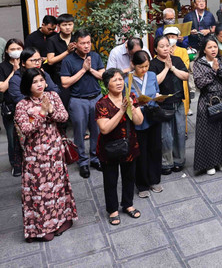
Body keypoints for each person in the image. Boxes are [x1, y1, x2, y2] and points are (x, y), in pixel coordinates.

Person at [14, 68, 76, 241]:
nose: (39, 84)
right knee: (40, 192)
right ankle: (42, 227)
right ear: (27, 85)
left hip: (55, 150)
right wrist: (42, 112)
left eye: (41, 80)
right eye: (34, 82)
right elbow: (26, 129)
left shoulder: (53, 96)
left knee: (57, 187)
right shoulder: (22, 105)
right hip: (36, 155)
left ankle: (61, 220)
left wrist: (50, 111)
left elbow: (64, 117)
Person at [96, 69, 143, 226]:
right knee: (110, 179)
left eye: (120, 79)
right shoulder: (101, 104)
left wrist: (132, 107)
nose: (119, 82)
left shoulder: (129, 97)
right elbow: (105, 129)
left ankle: (128, 204)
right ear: (107, 84)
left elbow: (139, 121)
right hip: (109, 148)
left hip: (129, 144)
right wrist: (122, 110)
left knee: (129, 176)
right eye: (115, 80)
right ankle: (113, 210)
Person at [60, 30, 105, 179]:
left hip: (96, 97)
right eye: (82, 43)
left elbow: (103, 76)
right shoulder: (68, 60)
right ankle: (82, 162)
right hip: (78, 100)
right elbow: (65, 83)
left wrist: (90, 69)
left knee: (97, 130)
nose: (86, 46)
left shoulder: (95, 56)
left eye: (88, 43)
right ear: (75, 44)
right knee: (79, 132)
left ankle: (95, 158)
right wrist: (82, 70)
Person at [192, 35, 222, 175]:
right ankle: (209, 164)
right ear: (204, 50)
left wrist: (219, 69)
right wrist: (213, 71)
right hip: (206, 101)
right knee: (208, 133)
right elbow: (199, 83)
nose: (213, 50)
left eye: (215, 47)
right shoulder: (199, 63)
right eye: (209, 47)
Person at [149, 36, 189, 174]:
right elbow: (155, 82)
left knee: (179, 132)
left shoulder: (176, 60)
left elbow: (186, 76)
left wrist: (172, 67)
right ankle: (166, 163)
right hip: (162, 105)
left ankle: (179, 160)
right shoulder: (152, 64)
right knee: (165, 136)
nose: (166, 48)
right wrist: (166, 68)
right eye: (162, 46)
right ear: (155, 49)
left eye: (167, 45)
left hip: (177, 101)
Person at [128, 51, 163, 198]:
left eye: (147, 66)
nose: (144, 70)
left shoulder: (152, 76)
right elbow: (126, 101)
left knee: (155, 148)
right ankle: (142, 184)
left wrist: (158, 98)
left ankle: (154, 180)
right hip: (139, 118)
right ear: (133, 65)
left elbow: (156, 92)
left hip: (153, 115)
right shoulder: (127, 80)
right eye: (141, 67)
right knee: (141, 151)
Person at [0, 39, 25, 176]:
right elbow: (1, 88)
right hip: (10, 108)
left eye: (18, 48)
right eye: (12, 49)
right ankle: (15, 164)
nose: (15, 51)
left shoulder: (27, 63)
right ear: (7, 51)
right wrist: (14, 71)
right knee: (12, 138)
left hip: (26, 105)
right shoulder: (2, 67)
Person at [46, 13, 76, 108]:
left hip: (77, 74)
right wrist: (67, 52)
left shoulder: (77, 38)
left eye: (70, 24)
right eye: (64, 25)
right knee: (64, 104)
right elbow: (50, 60)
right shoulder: (52, 40)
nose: (67, 27)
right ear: (58, 26)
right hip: (60, 76)